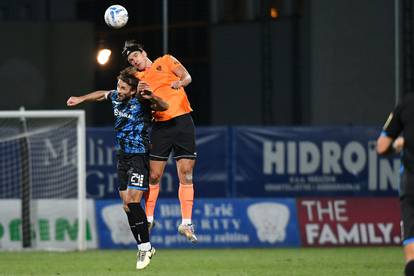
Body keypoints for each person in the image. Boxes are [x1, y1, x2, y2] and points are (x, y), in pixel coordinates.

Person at [66, 67, 168, 269]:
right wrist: (81, 98)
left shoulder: (141, 101)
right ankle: (144, 246)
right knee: (126, 205)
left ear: (132, 91)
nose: (118, 90)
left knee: (133, 201)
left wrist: (152, 96)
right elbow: (99, 95)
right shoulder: (115, 97)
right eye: (118, 86)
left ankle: (145, 246)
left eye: (122, 87)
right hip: (122, 157)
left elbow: (164, 106)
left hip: (139, 156)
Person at [122, 40, 198, 243]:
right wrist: (139, 95)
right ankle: (148, 218)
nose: (134, 61)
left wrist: (179, 83)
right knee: (154, 175)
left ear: (143, 52)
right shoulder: (137, 78)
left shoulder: (166, 60)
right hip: (160, 126)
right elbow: (121, 88)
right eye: (131, 60)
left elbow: (187, 76)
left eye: (135, 56)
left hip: (182, 121)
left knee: (186, 174)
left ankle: (186, 223)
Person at [376, 93, 414, 276]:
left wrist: (398, 145)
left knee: (412, 253)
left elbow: (381, 147)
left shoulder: (405, 104)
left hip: (411, 185)